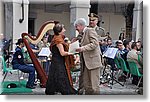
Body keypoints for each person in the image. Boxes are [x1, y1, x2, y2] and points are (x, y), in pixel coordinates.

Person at [45, 23, 77, 95]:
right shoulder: (58, 40)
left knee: (54, 75)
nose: (65, 30)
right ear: (60, 31)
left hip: (56, 59)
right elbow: (62, 53)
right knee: (60, 75)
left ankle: (53, 89)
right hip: (58, 61)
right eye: (63, 29)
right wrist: (71, 53)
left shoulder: (56, 37)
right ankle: (64, 90)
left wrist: (71, 43)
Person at [74, 18, 102, 95]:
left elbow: (95, 44)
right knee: (87, 85)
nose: (76, 29)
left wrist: (82, 48)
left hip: (93, 62)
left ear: (80, 25)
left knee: (94, 86)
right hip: (86, 63)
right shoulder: (82, 33)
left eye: (76, 27)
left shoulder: (90, 30)